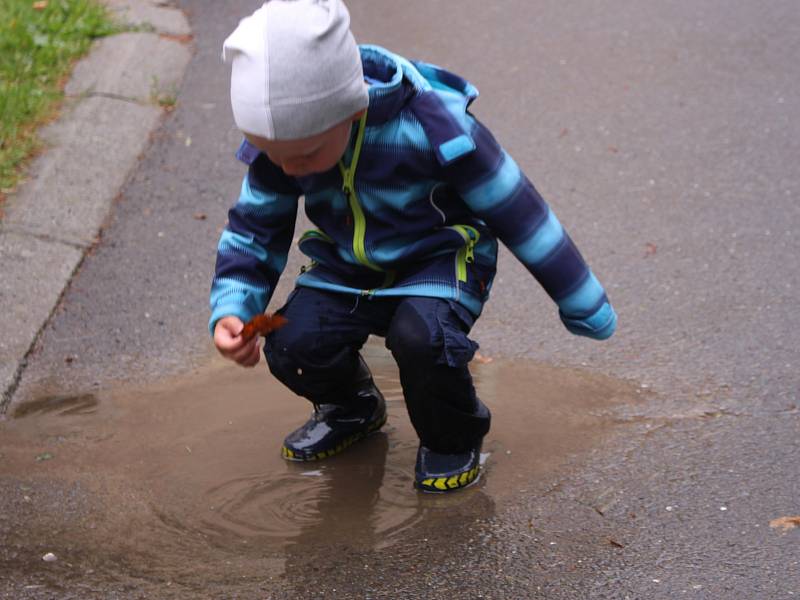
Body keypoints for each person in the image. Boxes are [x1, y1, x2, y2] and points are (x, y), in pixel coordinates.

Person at [210, 0, 617, 493]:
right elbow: (255, 228)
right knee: (295, 341)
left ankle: (452, 438)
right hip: (346, 269)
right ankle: (351, 406)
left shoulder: (436, 127)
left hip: (439, 262)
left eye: (305, 156)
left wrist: (581, 300)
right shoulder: (289, 144)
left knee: (423, 339)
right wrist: (234, 307)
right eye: (275, 156)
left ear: (352, 107)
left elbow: (521, 213)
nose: (289, 168)